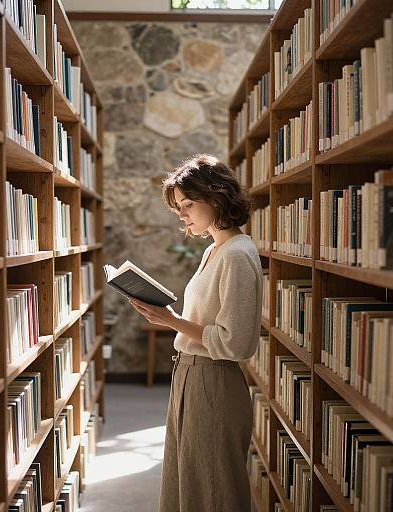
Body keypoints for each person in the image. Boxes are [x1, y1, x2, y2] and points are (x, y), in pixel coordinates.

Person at [129, 154, 263, 512]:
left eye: (187, 204)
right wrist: (167, 318)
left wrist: (171, 320)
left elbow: (236, 342)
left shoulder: (237, 254)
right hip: (188, 372)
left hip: (214, 381)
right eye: (178, 209)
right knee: (186, 479)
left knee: (215, 488)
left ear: (217, 196)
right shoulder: (213, 250)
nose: (183, 215)